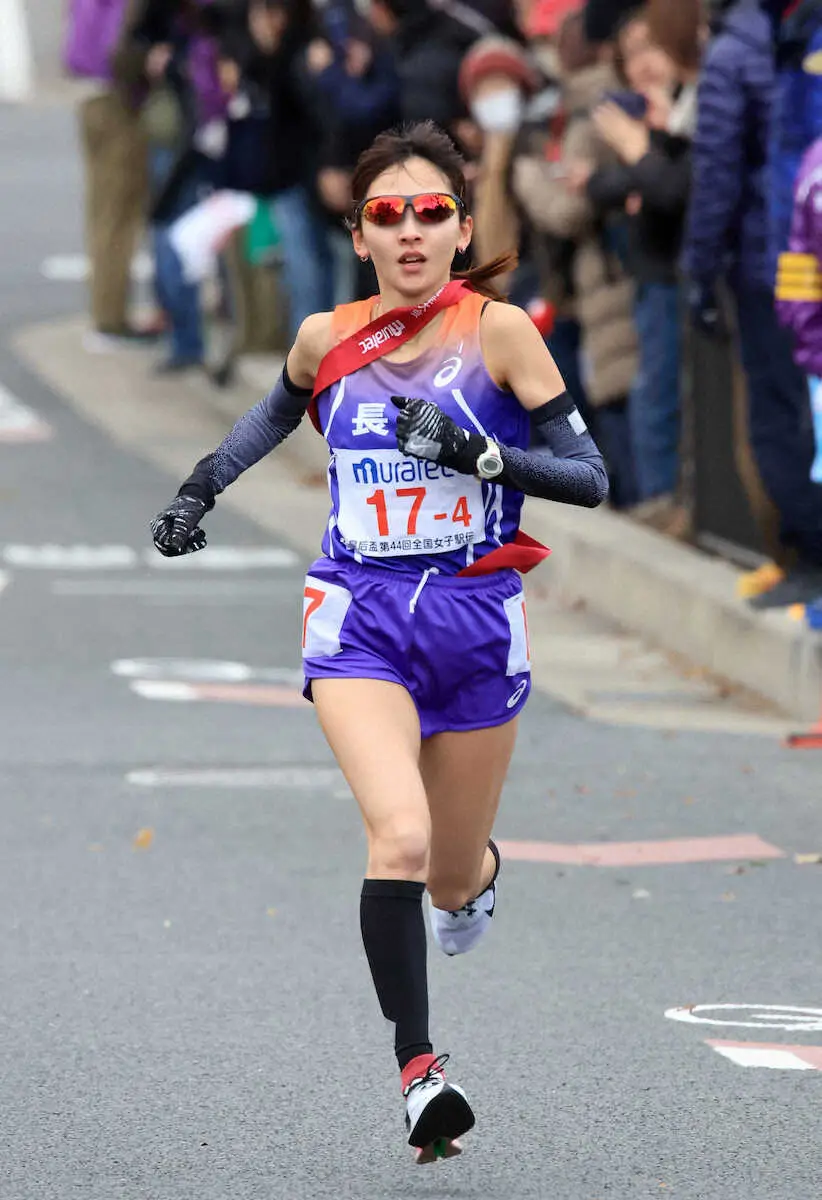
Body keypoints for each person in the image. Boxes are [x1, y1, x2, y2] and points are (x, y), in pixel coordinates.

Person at [149, 120, 608, 1162]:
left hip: (476, 623)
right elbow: (269, 416)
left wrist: (484, 456)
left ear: (462, 228)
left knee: (445, 874)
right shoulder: (328, 336)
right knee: (394, 836)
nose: (410, 232)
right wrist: (197, 491)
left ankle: (477, 874)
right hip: (358, 617)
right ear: (358, 234)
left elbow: (591, 478)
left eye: (431, 213)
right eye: (387, 215)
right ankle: (420, 1073)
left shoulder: (500, 334)